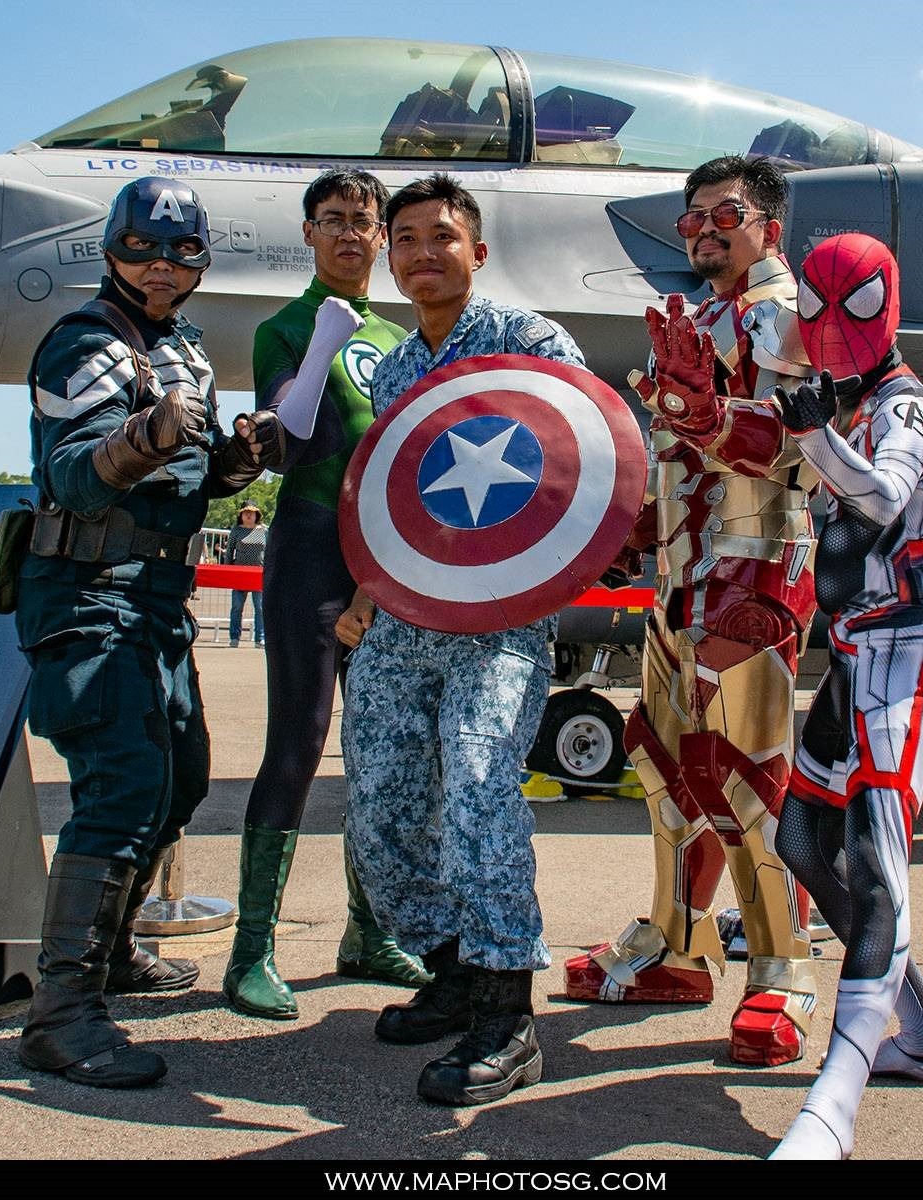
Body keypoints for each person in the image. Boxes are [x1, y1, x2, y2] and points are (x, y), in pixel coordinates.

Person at [13, 176, 280, 1089]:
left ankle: (112, 953)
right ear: (111, 251)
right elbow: (75, 477)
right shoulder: (88, 342)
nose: (161, 268)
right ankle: (60, 1013)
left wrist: (232, 462)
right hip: (90, 592)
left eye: (183, 253)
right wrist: (149, 435)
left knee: (179, 779)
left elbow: (182, 488)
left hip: (156, 597)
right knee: (122, 784)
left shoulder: (181, 349)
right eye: (142, 250)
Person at [563, 155, 822, 1067]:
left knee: (747, 780)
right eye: (692, 217)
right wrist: (631, 533)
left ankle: (782, 970)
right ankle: (678, 946)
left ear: (768, 226)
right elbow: (683, 457)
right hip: (685, 573)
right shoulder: (699, 315)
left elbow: (788, 448)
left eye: (726, 213)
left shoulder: (781, 313)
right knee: (668, 771)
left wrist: (703, 413)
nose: (703, 229)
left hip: (756, 568)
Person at [336, 173, 584, 1107]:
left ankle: (508, 1015)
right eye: (405, 239)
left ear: (476, 253)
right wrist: (367, 591)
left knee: (481, 790)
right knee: (380, 800)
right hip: (405, 621)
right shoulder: (395, 367)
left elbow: (589, 455)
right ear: (391, 259)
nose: (422, 253)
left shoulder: (527, 343)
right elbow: (394, 500)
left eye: (443, 237)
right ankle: (450, 967)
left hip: (502, 620)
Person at [769, 232, 923, 1159]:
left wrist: (810, 429)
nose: (831, 327)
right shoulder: (845, 404)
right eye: (817, 306)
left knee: (876, 856)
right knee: (802, 839)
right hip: (854, 650)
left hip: (908, 644)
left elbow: (883, 502)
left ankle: (836, 1104)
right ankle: (918, 1034)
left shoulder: (908, 412)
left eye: (852, 305)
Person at [225, 168, 423, 1023]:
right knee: (299, 744)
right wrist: (320, 346)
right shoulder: (286, 327)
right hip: (308, 545)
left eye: (365, 222)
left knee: (381, 751)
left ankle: (369, 931)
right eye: (333, 220)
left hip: (379, 562)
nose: (350, 234)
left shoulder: (402, 335)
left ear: (382, 237)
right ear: (308, 233)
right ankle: (250, 952)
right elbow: (286, 437)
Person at [224, 502, 267, 648]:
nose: (249, 515)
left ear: (257, 515)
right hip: (239, 573)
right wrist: (227, 571)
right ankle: (234, 637)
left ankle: (259, 638)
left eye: (252, 513)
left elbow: (270, 552)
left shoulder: (264, 531)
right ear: (241, 515)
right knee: (237, 607)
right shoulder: (236, 531)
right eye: (245, 513)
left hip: (258, 574)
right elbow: (229, 551)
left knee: (260, 607)